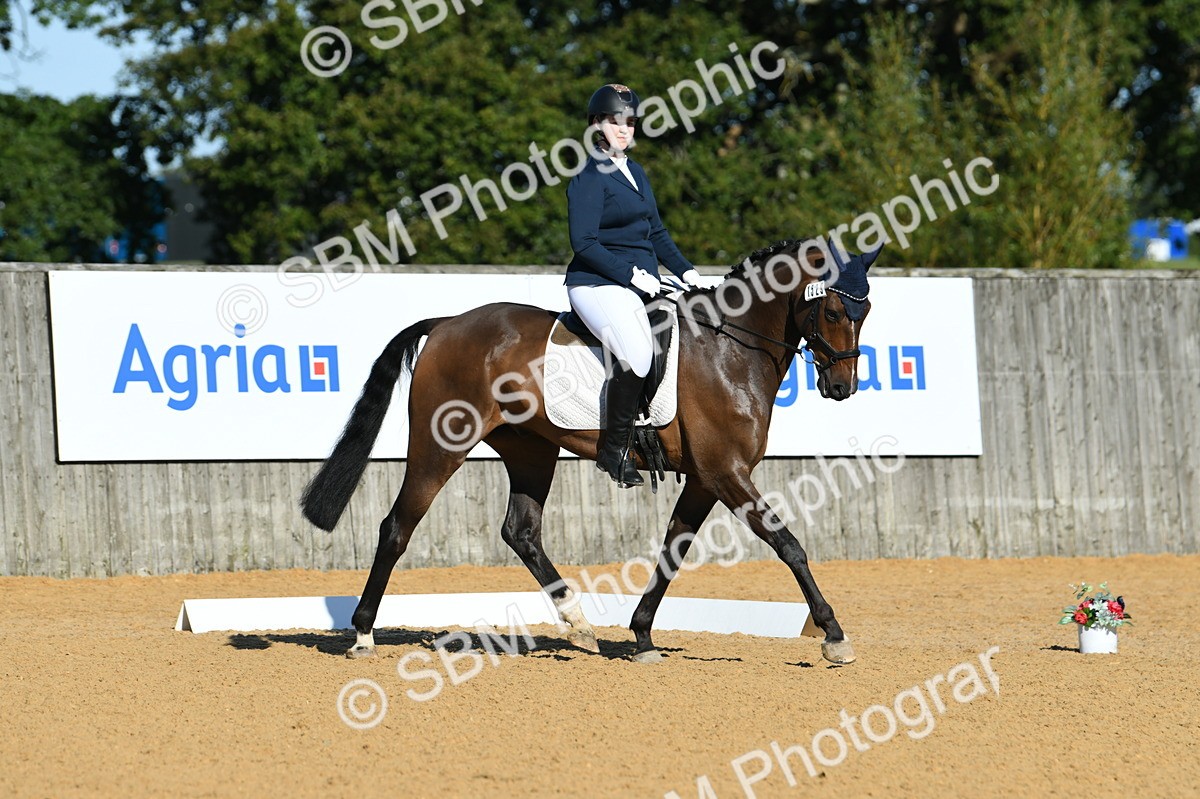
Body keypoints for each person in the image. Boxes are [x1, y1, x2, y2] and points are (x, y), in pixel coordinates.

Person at [565, 83, 702, 487]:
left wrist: (687, 271)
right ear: (596, 124)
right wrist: (630, 274)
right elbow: (583, 243)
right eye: (614, 121)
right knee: (639, 354)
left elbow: (656, 232)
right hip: (597, 283)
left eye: (630, 121)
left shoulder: (636, 172)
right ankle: (614, 450)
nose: (624, 129)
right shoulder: (589, 176)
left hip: (641, 284)